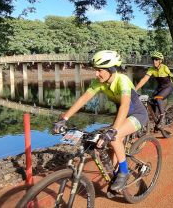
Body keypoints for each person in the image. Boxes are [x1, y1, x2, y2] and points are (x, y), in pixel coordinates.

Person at [53, 50, 148, 191]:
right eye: (95, 70)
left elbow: (125, 105)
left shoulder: (122, 80)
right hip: (122, 115)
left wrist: (113, 130)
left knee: (114, 137)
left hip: (137, 114)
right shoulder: (99, 82)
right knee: (109, 144)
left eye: (99, 71)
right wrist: (64, 118)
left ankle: (124, 172)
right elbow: (84, 99)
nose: (96, 74)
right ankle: (116, 174)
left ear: (110, 70)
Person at [135, 51, 173, 128]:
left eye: (156, 59)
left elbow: (171, 76)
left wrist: (170, 75)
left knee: (158, 98)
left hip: (168, 87)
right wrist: (134, 89)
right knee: (150, 100)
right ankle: (156, 119)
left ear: (160, 61)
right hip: (160, 88)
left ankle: (162, 118)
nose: (154, 61)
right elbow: (144, 79)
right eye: (153, 59)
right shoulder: (151, 69)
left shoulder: (164, 68)